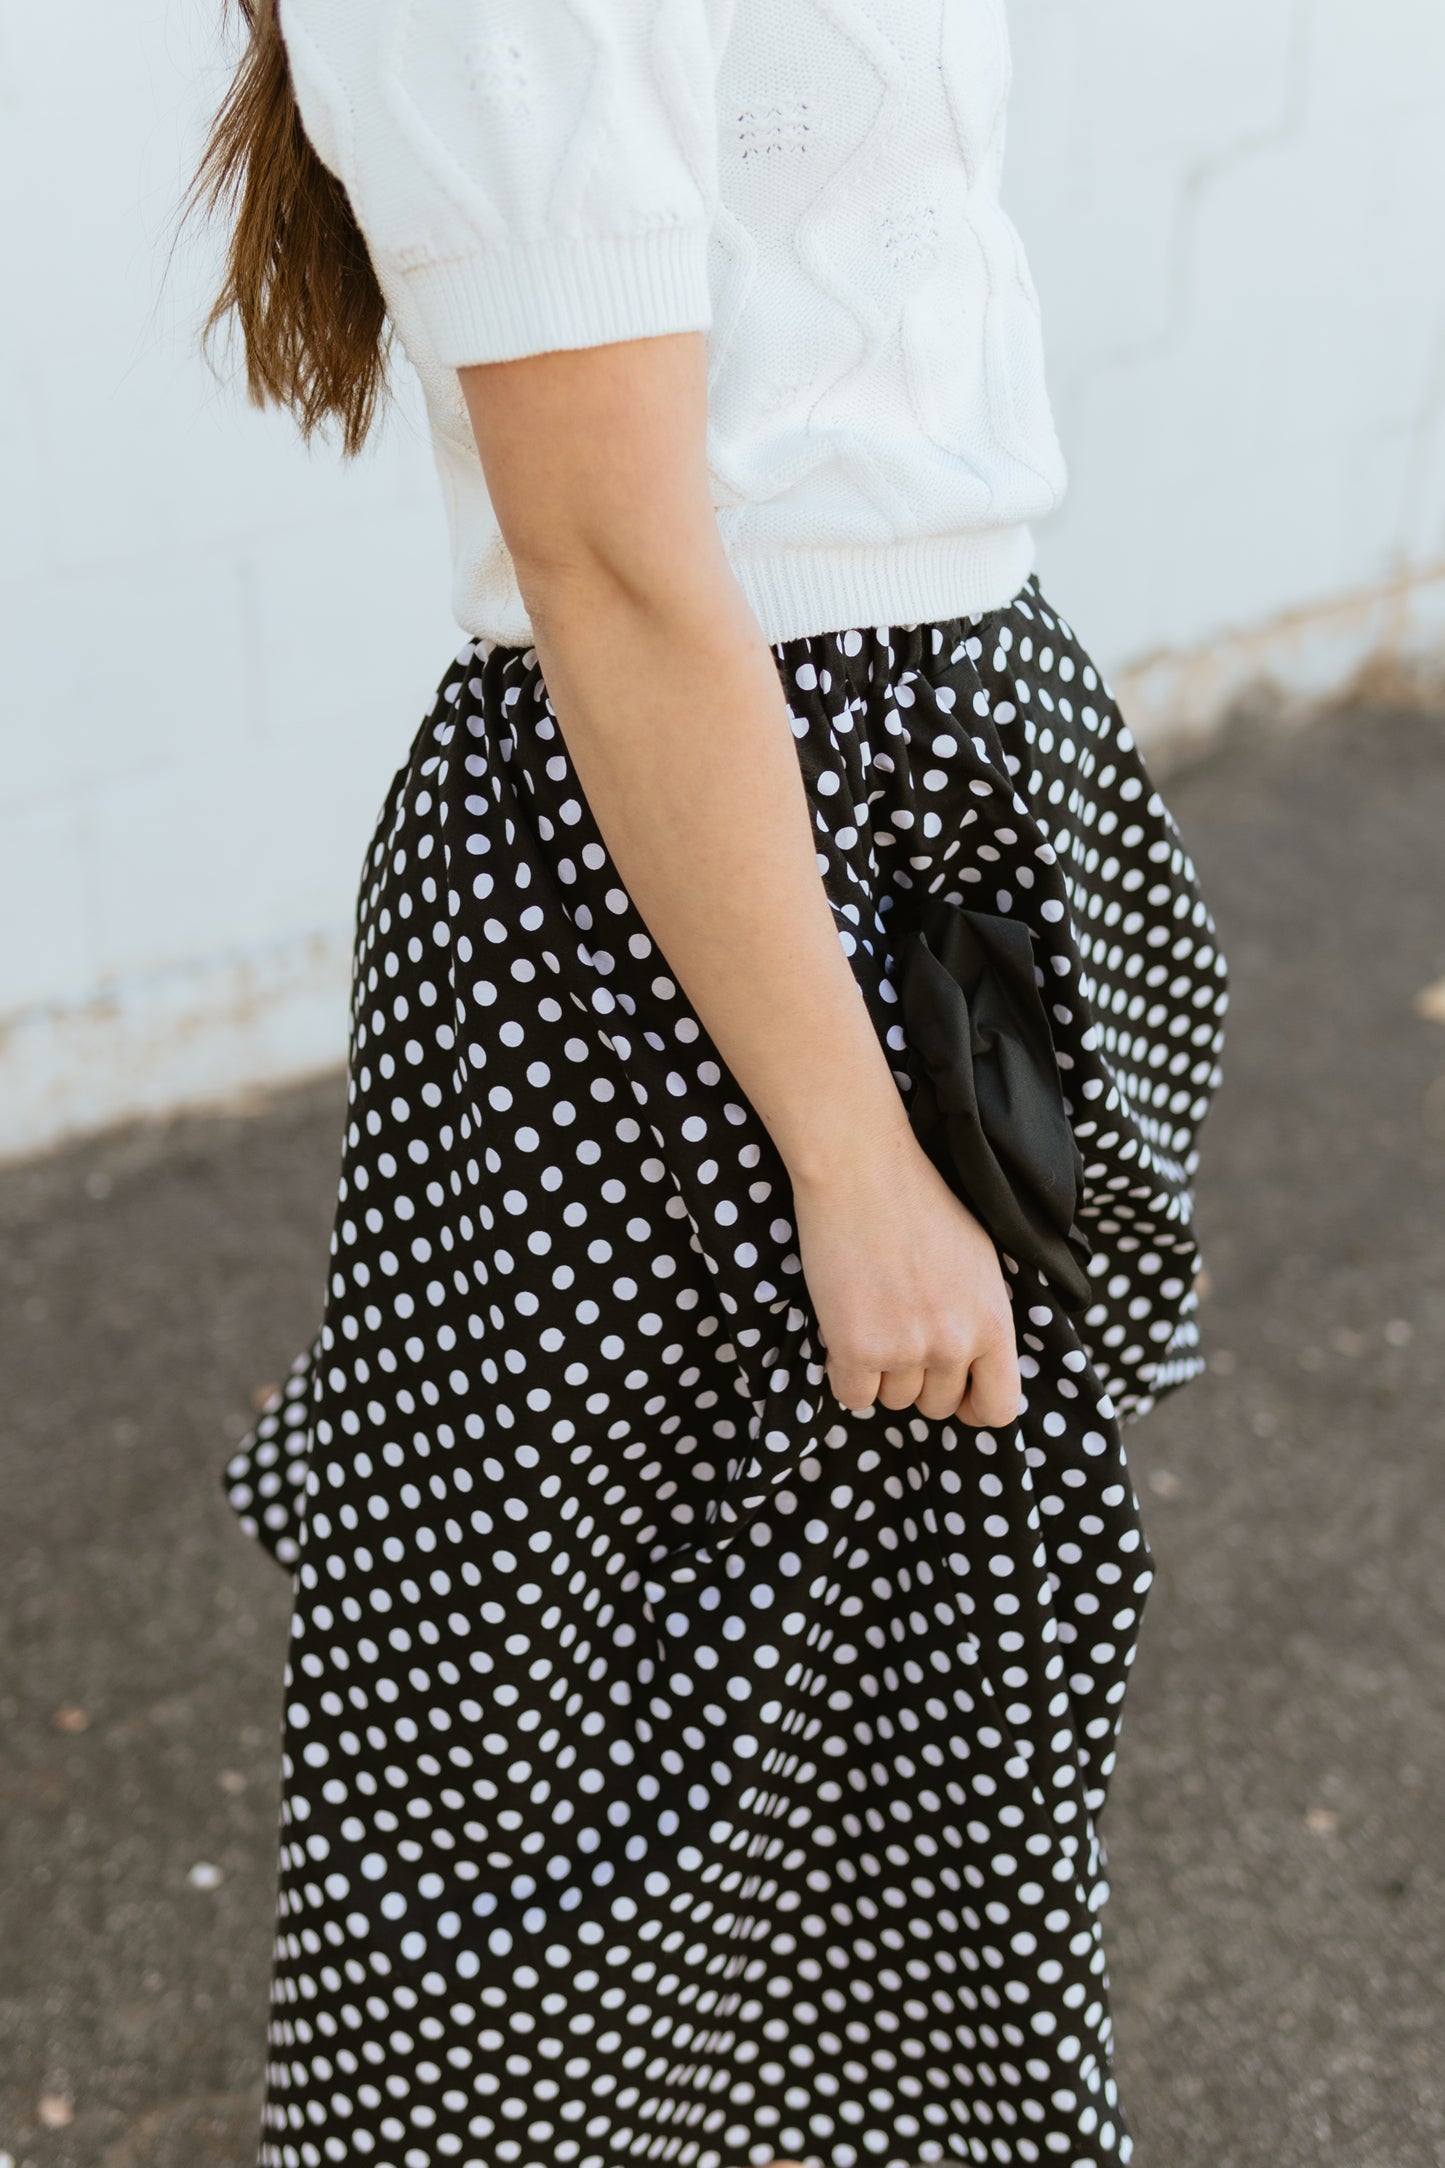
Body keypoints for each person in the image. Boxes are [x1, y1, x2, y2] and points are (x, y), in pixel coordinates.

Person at [196, 4, 1229, 2164]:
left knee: (927, 1724)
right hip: (705, 882)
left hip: (921, 795)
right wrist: (850, 1153)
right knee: (556, 1765)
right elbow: (611, 558)